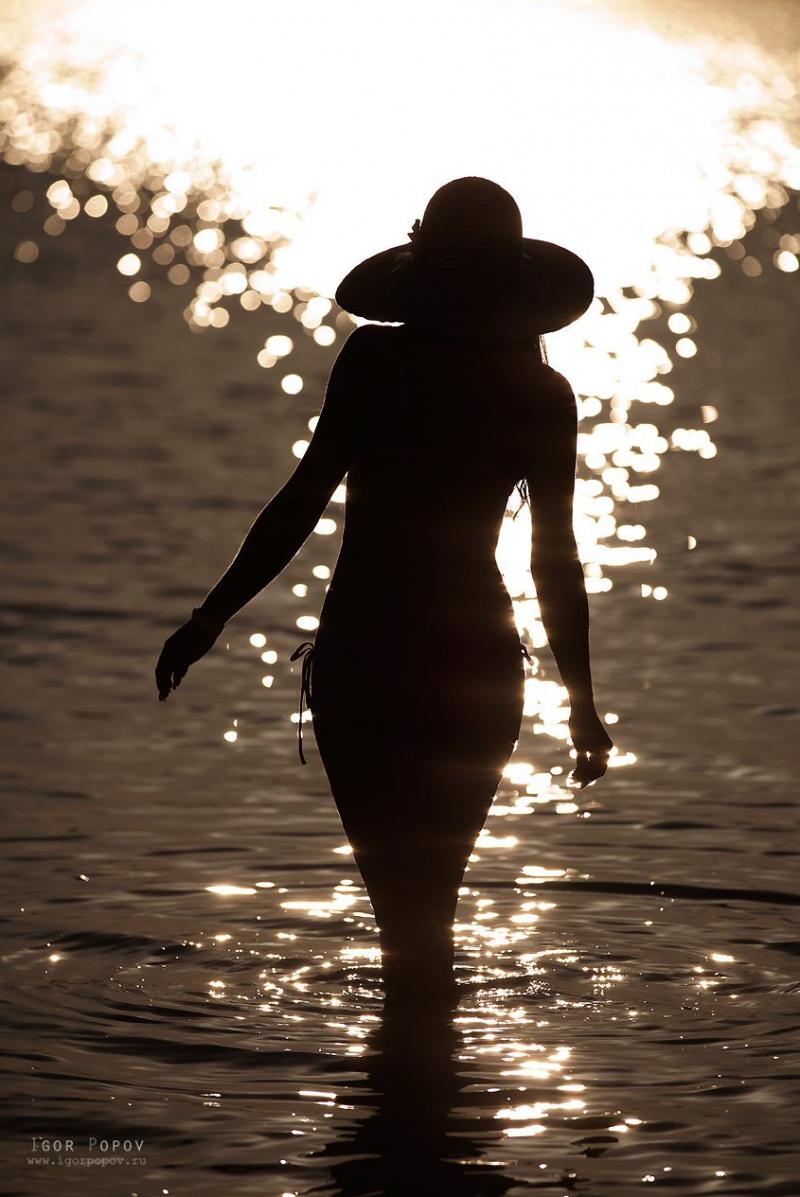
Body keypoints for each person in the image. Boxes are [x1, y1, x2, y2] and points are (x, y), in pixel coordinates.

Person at [155, 176, 613, 1004]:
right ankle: (426, 1067)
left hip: (367, 650)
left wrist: (211, 615)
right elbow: (556, 560)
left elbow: (302, 499)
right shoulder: (540, 393)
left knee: (401, 911)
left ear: (422, 268)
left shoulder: (377, 361)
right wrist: (581, 703)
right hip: (473, 662)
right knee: (432, 905)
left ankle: (408, 1066)